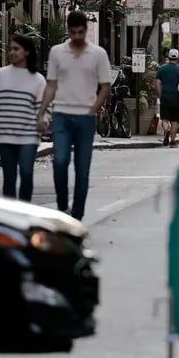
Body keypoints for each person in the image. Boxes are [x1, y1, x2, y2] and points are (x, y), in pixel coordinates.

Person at [38, 11, 111, 220]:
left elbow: (105, 86)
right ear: (68, 31)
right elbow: (51, 84)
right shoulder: (56, 52)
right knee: (59, 161)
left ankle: (77, 214)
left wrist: (93, 109)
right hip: (61, 114)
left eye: (80, 32)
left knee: (82, 168)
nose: (77, 36)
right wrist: (42, 111)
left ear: (86, 30)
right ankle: (62, 207)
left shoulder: (98, 54)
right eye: (73, 32)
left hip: (86, 117)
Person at [0, 33, 46, 202]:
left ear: (27, 52)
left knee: (26, 172)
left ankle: (25, 210)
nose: (12, 52)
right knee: (9, 177)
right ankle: (10, 215)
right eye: (10, 49)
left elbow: (43, 106)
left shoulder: (38, 80)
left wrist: (43, 120)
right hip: (5, 135)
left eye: (16, 49)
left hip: (29, 136)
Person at [156, 49, 179, 147]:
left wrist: (160, 95)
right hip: (177, 98)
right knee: (175, 120)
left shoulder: (161, 69)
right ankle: (172, 141)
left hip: (165, 97)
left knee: (164, 118)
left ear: (168, 57)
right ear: (177, 57)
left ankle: (166, 130)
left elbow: (158, 83)